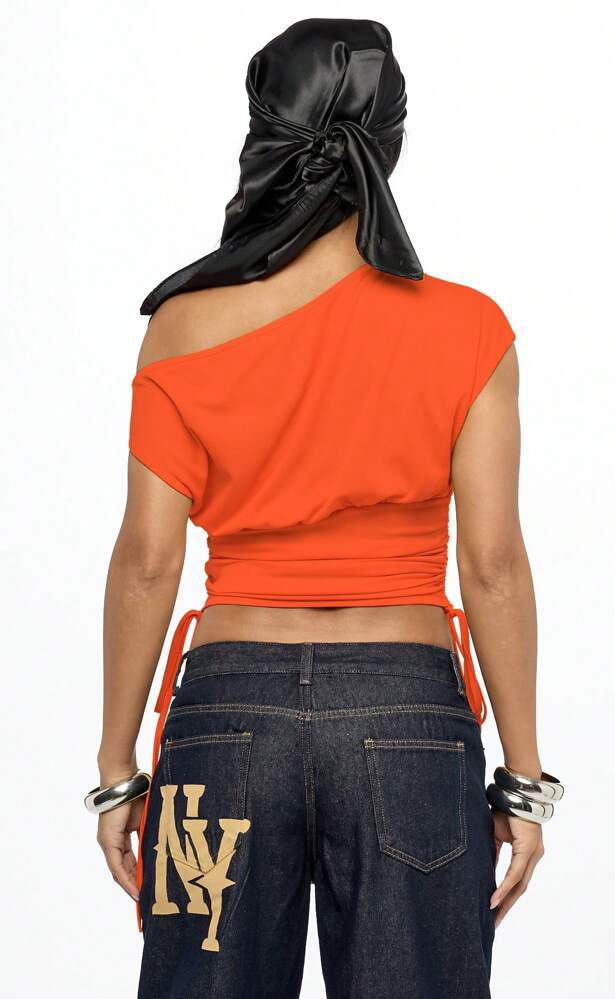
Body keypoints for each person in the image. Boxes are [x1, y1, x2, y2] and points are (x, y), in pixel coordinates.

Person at [87, 17, 563, 999]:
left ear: (265, 136)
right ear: (389, 144)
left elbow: (146, 561)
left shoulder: (182, 326)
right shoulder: (470, 328)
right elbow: (491, 566)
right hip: (408, 716)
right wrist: (522, 780)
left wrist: (118, 770)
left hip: (225, 717)